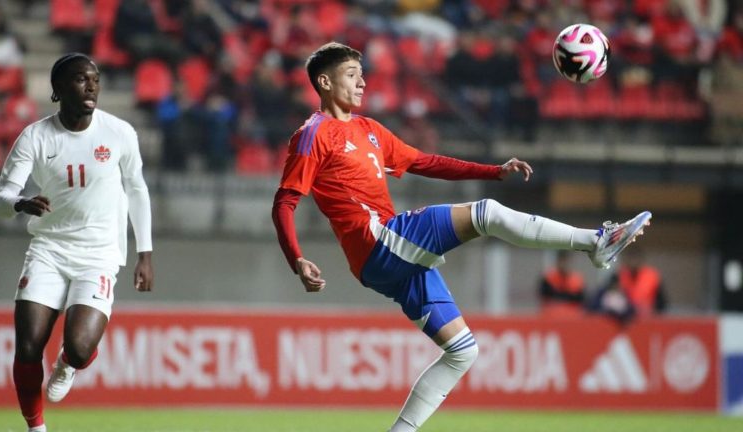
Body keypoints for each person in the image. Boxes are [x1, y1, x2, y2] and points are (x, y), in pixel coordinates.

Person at [271, 42, 652, 432]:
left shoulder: (369, 130)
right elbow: (284, 201)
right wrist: (296, 259)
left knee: (462, 351)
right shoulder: (313, 135)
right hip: (378, 242)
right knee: (486, 214)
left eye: (361, 73)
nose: (363, 82)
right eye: (351, 74)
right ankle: (596, 242)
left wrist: (492, 171)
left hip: (387, 260)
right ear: (324, 82)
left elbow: (424, 162)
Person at [0, 53, 154, 432]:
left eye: (95, 78)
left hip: (98, 255)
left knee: (81, 348)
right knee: (29, 345)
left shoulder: (118, 133)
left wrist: (144, 253)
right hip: (48, 250)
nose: (92, 85)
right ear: (59, 89)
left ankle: (68, 363)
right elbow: (0, 202)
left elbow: (138, 191)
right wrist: (20, 203)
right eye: (81, 79)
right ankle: (36, 427)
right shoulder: (35, 136)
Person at [538, 250, 586, 317]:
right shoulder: (548, 278)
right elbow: (545, 296)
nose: (564, 264)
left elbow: (580, 299)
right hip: (551, 314)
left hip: (573, 316)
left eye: (566, 261)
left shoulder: (577, 280)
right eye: (562, 261)